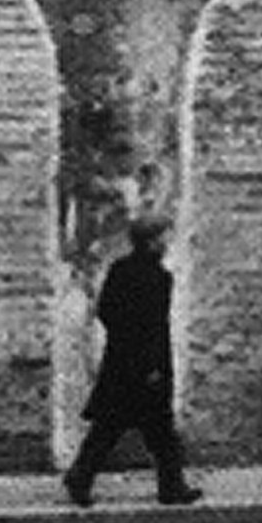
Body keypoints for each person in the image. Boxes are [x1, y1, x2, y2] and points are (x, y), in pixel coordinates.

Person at [68, 215, 197, 507]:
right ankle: (171, 487)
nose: (166, 242)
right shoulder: (160, 278)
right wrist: (152, 365)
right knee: (158, 431)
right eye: (163, 237)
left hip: (120, 362)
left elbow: (105, 311)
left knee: (109, 427)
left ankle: (81, 477)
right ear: (152, 241)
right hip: (148, 367)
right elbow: (155, 327)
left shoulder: (120, 270)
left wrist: (123, 341)